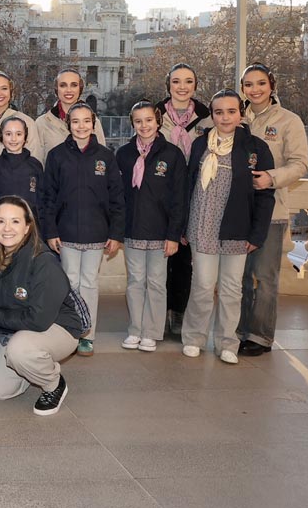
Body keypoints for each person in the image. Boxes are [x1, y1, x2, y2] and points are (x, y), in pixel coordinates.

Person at [182, 90, 275, 365]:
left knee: (232, 289)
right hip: (202, 227)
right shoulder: (200, 145)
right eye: (219, 112)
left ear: (241, 114)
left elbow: (265, 196)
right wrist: (182, 226)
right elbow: (187, 186)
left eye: (231, 111)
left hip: (237, 230)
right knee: (202, 285)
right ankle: (194, 338)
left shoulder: (255, 148)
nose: (225, 117)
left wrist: (257, 234)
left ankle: (227, 342)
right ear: (212, 115)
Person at [0, 196, 88, 416]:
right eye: (1, 221)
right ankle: (30, 367)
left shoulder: (43, 261)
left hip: (58, 327)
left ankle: (53, 384)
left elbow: (38, 320)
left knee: (20, 351)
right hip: (18, 325)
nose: (7, 228)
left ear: (27, 227)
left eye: (15, 221)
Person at [41, 103, 123, 357]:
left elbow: (117, 198)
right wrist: (51, 231)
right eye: (75, 121)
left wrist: (115, 233)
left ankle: (87, 334)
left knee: (89, 283)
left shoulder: (106, 157)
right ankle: (70, 331)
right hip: (65, 233)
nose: (81, 126)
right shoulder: (56, 156)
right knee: (70, 281)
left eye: (86, 121)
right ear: (69, 124)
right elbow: (47, 197)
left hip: (97, 233)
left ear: (93, 123)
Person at [238, 64, 308, 357]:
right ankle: (239, 331)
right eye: (248, 84)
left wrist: (271, 177)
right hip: (237, 212)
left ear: (272, 85)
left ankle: (260, 336)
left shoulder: (289, 121)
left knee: (264, 277)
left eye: (261, 83)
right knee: (239, 278)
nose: (255, 90)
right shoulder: (235, 117)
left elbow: (300, 164)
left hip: (272, 211)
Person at [115, 101, 187, 353]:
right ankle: (135, 329)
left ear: (158, 122)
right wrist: (118, 230)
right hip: (133, 230)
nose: (144, 125)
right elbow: (118, 196)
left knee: (156, 282)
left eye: (148, 120)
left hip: (161, 232)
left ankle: (152, 332)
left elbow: (179, 198)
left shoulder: (172, 155)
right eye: (138, 121)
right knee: (135, 281)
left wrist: (174, 235)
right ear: (132, 124)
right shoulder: (124, 154)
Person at [155, 63, 211, 338]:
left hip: (194, 193)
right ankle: (158, 314)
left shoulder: (207, 117)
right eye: (176, 81)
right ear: (168, 85)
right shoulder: (155, 113)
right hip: (160, 194)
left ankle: (178, 313)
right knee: (160, 258)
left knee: (184, 259)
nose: (182, 87)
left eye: (188, 81)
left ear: (195, 85)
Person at [36, 68, 107, 156]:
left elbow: (102, 158)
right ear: (56, 89)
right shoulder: (42, 123)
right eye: (63, 85)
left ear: (80, 88)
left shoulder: (94, 123)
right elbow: (37, 160)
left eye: (74, 85)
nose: (68, 90)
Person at [0, 116, 44, 218]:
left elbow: (42, 201)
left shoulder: (35, 165)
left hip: (30, 223)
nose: (13, 139)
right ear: (1, 136)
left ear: (25, 136)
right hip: (2, 222)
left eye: (19, 134)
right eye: (8, 134)